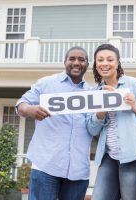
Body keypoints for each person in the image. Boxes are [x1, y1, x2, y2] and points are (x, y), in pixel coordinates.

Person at [86, 43, 136, 200]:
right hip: (109, 156)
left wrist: (134, 106)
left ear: (118, 62)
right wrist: (101, 111)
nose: (105, 63)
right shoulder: (95, 93)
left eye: (110, 59)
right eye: (100, 60)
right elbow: (92, 130)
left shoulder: (134, 84)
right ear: (95, 64)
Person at [16, 46, 91, 200]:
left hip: (78, 172)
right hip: (46, 166)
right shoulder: (46, 83)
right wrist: (30, 110)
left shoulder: (92, 93)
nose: (76, 63)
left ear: (87, 65)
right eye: (72, 59)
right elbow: (21, 104)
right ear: (65, 62)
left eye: (81, 59)